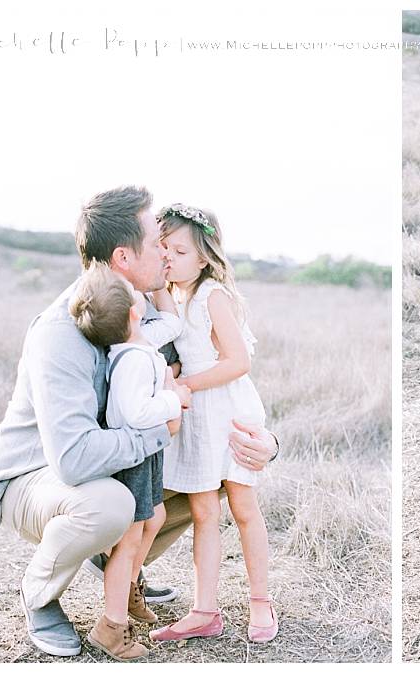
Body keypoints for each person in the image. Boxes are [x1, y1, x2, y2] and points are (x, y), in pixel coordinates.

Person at [0, 186, 279, 658]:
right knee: (111, 504)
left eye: (171, 244)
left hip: (102, 464)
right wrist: (160, 425)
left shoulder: (149, 313)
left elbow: (212, 385)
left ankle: (124, 568)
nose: (165, 252)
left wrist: (267, 443)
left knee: (210, 474)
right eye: (155, 242)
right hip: (34, 478)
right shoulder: (64, 331)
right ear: (123, 256)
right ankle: (39, 596)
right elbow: (75, 458)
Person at [148, 204, 277, 644]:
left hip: (225, 409)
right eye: (164, 248)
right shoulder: (173, 294)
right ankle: (205, 610)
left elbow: (238, 362)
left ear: (204, 257)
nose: (169, 258)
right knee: (203, 513)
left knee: (243, 509)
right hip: (195, 418)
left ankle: (261, 601)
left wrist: (185, 383)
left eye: (180, 251)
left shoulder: (211, 296)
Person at [69, 264, 190, 659]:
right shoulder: (134, 358)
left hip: (146, 453)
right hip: (135, 455)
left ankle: (128, 583)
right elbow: (138, 413)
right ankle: (112, 625)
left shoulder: (137, 344)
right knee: (131, 538)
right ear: (134, 312)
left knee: (152, 519)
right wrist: (175, 398)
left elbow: (170, 324)